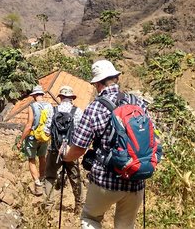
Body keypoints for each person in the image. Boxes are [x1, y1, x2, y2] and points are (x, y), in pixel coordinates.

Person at [62, 60, 151, 229]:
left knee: (90, 219)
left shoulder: (95, 107)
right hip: (136, 178)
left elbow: (79, 148)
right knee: (126, 226)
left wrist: (65, 155)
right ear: (116, 78)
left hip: (105, 180)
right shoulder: (137, 102)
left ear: (97, 84)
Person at [43, 85, 83, 209]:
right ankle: (79, 205)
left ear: (60, 97)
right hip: (70, 150)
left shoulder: (52, 110)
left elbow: (46, 131)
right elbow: (79, 132)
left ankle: (49, 205)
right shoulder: (77, 112)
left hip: (54, 149)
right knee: (75, 177)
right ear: (72, 98)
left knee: (50, 176)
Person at [17, 85, 54, 196]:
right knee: (42, 158)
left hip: (33, 137)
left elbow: (29, 125)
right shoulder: (50, 106)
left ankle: (37, 185)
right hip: (44, 137)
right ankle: (42, 180)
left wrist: (21, 140)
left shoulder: (32, 106)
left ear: (33, 96)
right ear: (42, 95)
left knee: (31, 159)